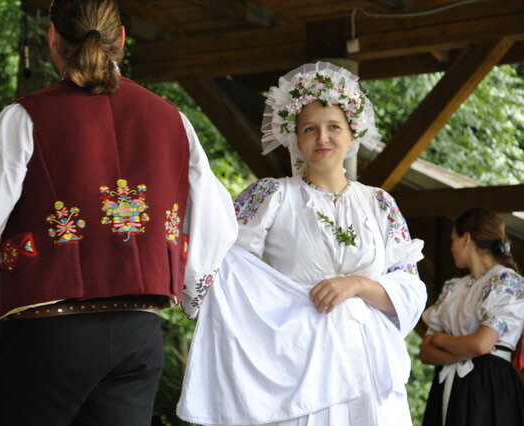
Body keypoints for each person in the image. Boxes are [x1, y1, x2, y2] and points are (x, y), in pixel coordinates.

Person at [0, 0, 237, 424]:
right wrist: (186, 285)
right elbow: (217, 223)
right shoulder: (174, 122)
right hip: (138, 335)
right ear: (122, 39)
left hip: (50, 335)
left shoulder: (26, 118)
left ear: (53, 38)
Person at [177, 61, 427, 426]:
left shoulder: (380, 203)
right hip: (297, 365)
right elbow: (220, 251)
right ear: (295, 138)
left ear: (352, 133)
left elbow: (410, 287)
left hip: (369, 363)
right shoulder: (273, 195)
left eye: (333, 127)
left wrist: (356, 285)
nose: (322, 138)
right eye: (310, 129)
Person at [420, 208, 524, 426]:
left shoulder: (506, 282)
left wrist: (441, 340)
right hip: (448, 381)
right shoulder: (453, 287)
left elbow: (480, 344)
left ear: (466, 238)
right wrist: (461, 351)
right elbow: (427, 352)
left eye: (453, 239)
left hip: (488, 386)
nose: (450, 247)